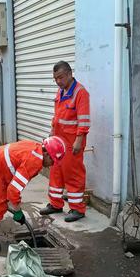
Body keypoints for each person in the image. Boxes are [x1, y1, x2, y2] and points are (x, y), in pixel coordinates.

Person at [0, 137, 66, 251]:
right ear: (46, 153)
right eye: (52, 160)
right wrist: (17, 211)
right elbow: (13, 191)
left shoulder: (35, 146)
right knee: (0, 205)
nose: (51, 165)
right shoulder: (34, 162)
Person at [39, 61, 90, 222]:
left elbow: (84, 120)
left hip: (72, 141)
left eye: (60, 77)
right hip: (58, 140)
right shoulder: (61, 92)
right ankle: (55, 204)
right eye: (55, 79)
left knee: (73, 174)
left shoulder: (80, 93)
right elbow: (57, 117)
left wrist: (79, 140)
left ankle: (77, 209)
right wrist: (51, 134)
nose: (58, 81)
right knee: (56, 172)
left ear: (69, 74)